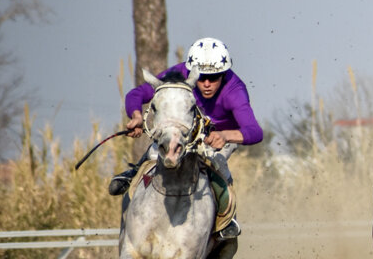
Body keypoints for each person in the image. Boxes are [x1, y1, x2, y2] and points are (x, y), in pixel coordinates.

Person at [108, 37, 262, 240]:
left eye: (214, 78)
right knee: (157, 150)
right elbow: (136, 94)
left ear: (224, 74)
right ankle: (135, 172)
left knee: (216, 162)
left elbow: (255, 131)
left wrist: (225, 136)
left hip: (220, 136)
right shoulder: (180, 74)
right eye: (201, 77)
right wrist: (136, 115)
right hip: (188, 129)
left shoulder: (235, 91)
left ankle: (226, 218)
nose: (206, 84)